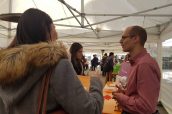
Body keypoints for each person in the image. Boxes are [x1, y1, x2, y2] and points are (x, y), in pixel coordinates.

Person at [0, 8, 103, 114]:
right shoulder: (57, 66)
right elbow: (90, 110)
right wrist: (96, 83)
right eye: (54, 28)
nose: (57, 35)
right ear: (45, 32)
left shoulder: (3, 69)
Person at [112, 26, 161, 114]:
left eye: (123, 38)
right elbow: (137, 93)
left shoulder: (145, 65)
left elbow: (146, 106)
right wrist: (125, 93)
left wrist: (122, 98)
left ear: (135, 38)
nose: (120, 41)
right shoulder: (136, 62)